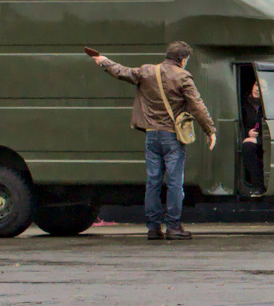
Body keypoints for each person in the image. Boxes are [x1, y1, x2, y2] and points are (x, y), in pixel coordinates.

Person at [85, 41, 217, 240]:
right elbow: (197, 105)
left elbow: (122, 72)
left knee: (153, 181)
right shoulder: (183, 76)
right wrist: (210, 130)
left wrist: (104, 61)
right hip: (172, 136)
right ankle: (173, 226)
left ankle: (153, 228)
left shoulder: (147, 71)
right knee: (174, 182)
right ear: (183, 60)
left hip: (151, 135)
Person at [240, 77, 265, 196]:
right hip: (249, 141)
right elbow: (239, 126)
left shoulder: (268, 106)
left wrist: (258, 140)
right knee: (248, 146)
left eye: (261, 87)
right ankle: (257, 186)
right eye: (256, 85)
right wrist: (248, 133)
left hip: (265, 141)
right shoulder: (243, 104)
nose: (257, 89)